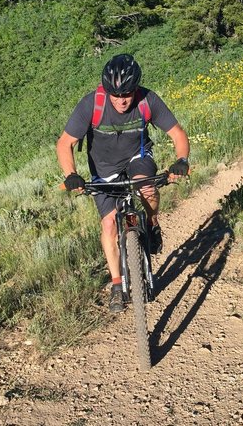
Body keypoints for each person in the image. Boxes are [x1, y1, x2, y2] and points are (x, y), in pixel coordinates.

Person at [56, 54, 190, 313]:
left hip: (137, 157)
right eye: (114, 95)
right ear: (106, 91)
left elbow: (177, 133)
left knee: (146, 186)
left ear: (136, 88)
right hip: (104, 170)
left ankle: (151, 223)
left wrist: (182, 160)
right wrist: (71, 174)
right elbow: (65, 143)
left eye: (127, 93)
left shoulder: (147, 100)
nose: (121, 100)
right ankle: (117, 285)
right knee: (108, 224)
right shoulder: (90, 105)